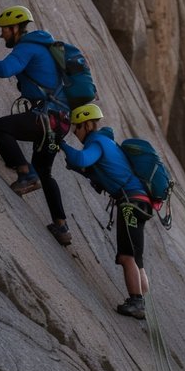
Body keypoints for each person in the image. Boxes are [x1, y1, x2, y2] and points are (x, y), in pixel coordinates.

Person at [0, 6, 73, 246]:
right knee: (45, 172)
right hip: (60, 124)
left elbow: (5, 70)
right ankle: (61, 226)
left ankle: (25, 174)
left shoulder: (27, 47)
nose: (1, 35)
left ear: (15, 28)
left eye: (4, 30)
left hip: (44, 119)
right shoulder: (46, 48)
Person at [61, 104, 153, 320]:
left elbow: (82, 159)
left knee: (126, 255)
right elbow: (92, 170)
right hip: (140, 202)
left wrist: (62, 145)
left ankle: (136, 302)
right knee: (136, 257)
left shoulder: (97, 141)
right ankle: (141, 296)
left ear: (87, 124)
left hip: (130, 203)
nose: (76, 132)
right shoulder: (108, 143)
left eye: (77, 127)